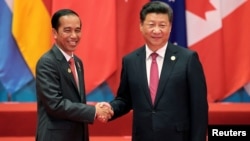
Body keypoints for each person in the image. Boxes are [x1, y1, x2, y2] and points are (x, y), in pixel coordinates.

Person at [99, 1, 208, 141]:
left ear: (170, 27)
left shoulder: (188, 59)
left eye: (162, 25)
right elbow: (125, 99)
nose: (157, 30)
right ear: (141, 26)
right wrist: (110, 108)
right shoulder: (130, 61)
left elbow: (199, 107)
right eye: (151, 25)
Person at [35, 9, 113, 141]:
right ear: (55, 33)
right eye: (67, 30)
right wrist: (94, 111)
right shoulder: (47, 62)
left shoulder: (77, 62)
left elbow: (77, 101)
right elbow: (55, 104)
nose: (74, 35)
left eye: (77, 30)